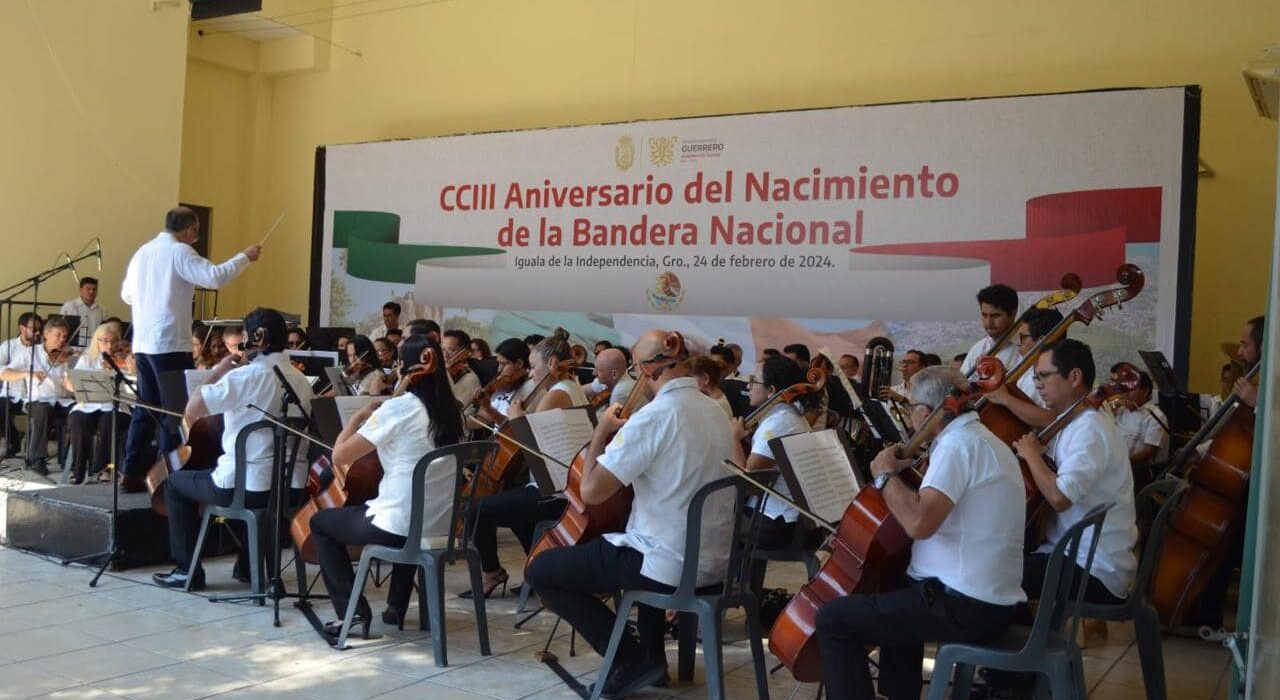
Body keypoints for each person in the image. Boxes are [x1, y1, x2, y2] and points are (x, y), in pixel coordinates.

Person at [525, 330, 735, 697]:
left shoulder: (655, 416)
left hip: (668, 563)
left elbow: (590, 492)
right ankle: (652, 662)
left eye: (637, 372)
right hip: (715, 561)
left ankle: (633, 659)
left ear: (648, 370)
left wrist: (601, 432)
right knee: (635, 542)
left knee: (542, 570)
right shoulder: (715, 409)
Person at [816, 366, 1027, 700]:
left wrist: (885, 476)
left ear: (927, 413)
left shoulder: (957, 447)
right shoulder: (983, 440)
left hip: (966, 606)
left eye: (912, 408)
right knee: (900, 588)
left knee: (833, 619)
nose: (909, 416)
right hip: (990, 599)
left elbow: (918, 524)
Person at [309, 333, 464, 635]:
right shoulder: (453, 410)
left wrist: (358, 419)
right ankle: (395, 608)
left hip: (400, 525)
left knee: (321, 523)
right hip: (439, 524)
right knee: (406, 518)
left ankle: (350, 613)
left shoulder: (402, 408)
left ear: (405, 369)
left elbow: (340, 456)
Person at [152, 308, 313, 590]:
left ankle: (187, 570)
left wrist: (219, 370)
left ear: (256, 338)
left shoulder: (245, 376)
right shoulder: (300, 380)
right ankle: (249, 567)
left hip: (247, 487)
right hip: (290, 488)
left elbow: (192, 410)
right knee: (258, 494)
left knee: (176, 483)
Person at [120, 206, 260, 493]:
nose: (196, 238)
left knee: (146, 408)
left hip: (143, 342)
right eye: (196, 233)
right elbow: (214, 277)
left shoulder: (142, 253)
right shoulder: (180, 252)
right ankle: (168, 477)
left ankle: (132, 471)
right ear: (189, 230)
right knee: (175, 412)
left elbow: (127, 295)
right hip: (169, 341)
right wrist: (245, 257)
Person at [1013, 339, 1137, 607]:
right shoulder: (1074, 423)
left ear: (1075, 377)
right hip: (1069, 552)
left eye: (1044, 376)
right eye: (1035, 377)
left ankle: (1021, 644)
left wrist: (1033, 456)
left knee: (988, 575)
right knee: (993, 564)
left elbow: (1059, 497)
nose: (1037, 384)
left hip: (1093, 567)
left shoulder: (1089, 428)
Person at [463, 333, 579, 599]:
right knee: (512, 508)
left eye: (534, 365)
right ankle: (536, 570)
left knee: (474, 510)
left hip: (554, 489)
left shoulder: (556, 394)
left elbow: (530, 444)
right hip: (561, 484)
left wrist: (517, 420)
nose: (532, 373)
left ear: (551, 363)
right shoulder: (572, 387)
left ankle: (493, 571)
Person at [730, 356, 813, 598]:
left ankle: (721, 597)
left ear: (772, 391)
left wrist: (734, 439)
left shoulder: (777, 424)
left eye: (754, 381)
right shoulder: (789, 416)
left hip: (775, 523)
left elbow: (750, 483)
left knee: (710, 524)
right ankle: (746, 594)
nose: (748, 387)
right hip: (783, 517)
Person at [1, 316, 76, 473]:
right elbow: (4, 373)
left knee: (80, 413)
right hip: (38, 400)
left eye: (64, 336)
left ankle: (71, 458)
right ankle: (37, 459)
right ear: (46, 334)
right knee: (42, 411)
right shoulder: (29, 353)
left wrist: (70, 381)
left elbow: (70, 387)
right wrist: (28, 373)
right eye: (58, 335)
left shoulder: (68, 356)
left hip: (63, 401)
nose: (62, 340)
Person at [64, 321, 131, 484]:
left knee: (108, 422)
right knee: (77, 421)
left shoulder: (125, 360)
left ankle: (104, 468)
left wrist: (127, 369)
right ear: (97, 342)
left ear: (119, 342)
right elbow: (72, 381)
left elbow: (132, 385)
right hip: (89, 404)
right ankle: (77, 470)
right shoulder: (87, 359)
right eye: (104, 340)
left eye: (113, 341)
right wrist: (71, 383)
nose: (108, 344)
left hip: (116, 406)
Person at [981, 307, 1063, 428]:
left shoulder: (1060, 376)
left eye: (1023, 337)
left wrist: (1006, 399)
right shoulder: (1027, 370)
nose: (1018, 342)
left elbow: (1052, 419)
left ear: (1042, 340)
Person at [0, 312, 43, 458]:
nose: (38, 333)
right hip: (12, 392)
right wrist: (24, 373)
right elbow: (0, 369)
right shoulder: (9, 346)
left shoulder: (42, 349)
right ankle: (14, 439)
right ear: (22, 328)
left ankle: (35, 454)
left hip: (34, 395)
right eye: (33, 329)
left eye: (39, 330)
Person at [959, 283, 1021, 377]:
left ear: (1013, 314)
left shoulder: (1026, 347)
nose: (988, 323)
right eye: (984, 315)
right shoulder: (977, 349)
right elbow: (963, 385)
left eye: (995, 316)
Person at [586, 347, 641, 416]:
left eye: (599, 370)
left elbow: (611, 424)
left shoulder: (620, 392)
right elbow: (585, 390)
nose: (594, 373)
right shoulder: (611, 377)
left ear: (614, 374)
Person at [60, 276, 106, 347]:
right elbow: (60, 328)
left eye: (94, 289)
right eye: (88, 289)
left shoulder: (101, 309)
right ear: (81, 290)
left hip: (93, 350)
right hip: (72, 350)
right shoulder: (69, 306)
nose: (91, 292)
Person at [442, 329, 481, 407]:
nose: (445, 355)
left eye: (451, 350)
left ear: (466, 353)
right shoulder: (440, 370)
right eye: (442, 349)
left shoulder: (471, 379)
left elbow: (453, 408)